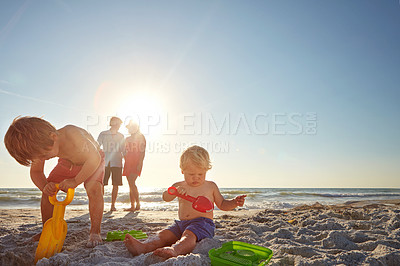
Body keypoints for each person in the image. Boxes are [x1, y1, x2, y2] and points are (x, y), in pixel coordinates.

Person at [124, 145, 247, 259]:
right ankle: (144, 247)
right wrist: (173, 192)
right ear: (182, 171)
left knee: (189, 235)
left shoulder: (211, 186)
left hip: (202, 224)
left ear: (206, 170)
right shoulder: (178, 186)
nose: (196, 177)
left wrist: (234, 202)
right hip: (181, 224)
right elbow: (165, 197)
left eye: (201, 174)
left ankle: (175, 250)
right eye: (191, 174)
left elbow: (222, 204)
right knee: (164, 234)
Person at [4, 116, 105, 247]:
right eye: (38, 157)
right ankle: (47, 229)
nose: (42, 159)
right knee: (48, 192)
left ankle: (95, 232)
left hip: (93, 161)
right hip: (67, 163)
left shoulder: (72, 134)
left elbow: (94, 158)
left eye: (43, 156)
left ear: (53, 136)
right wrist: (45, 186)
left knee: (94, 189)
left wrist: (75, 181)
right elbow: (36, 172)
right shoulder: (41, 146)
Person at [97, 116, 125, 211]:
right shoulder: (103, 134)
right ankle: (100, 204)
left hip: (117, 162)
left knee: (116, 184)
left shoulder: (121, 136)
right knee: (102, 184)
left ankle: (113, 205)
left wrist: (127, 160)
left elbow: (123, 149)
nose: (118, 126)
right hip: (105, 162)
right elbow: (97, 146)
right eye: (117, 124)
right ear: (112, 123)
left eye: (119, 124)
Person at [123, 121, 146, 212]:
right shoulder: (127, 138)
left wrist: (140, 163)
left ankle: (138, 203)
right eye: (129, 128)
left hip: (136, 162)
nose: (130, 129)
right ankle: (132, 205)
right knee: (130, 183)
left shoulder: (141, 137)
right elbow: (124, 150)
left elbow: (142, 151)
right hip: (128, 162)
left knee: (132, 181)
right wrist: (125, 158)